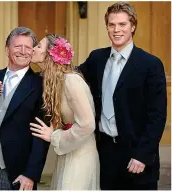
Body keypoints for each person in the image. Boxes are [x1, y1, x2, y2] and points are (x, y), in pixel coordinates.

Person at [77, 2, 167, 190]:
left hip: (136, 155)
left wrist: (143, 155)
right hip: (104, 152)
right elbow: (71, 78)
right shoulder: (96, 58)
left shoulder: (150, 64)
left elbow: (157, 116)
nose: (116, 30)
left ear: (132, 26)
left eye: (122, 24)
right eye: (112, 25)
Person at [0, 26, 49, 190]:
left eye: (28, 47)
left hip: (17, 171)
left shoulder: (40, 85)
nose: (23, 51)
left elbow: (40, 135)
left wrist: (31, 174)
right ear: (7, 50)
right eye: (17, 46)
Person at [30, 34, 100, 190]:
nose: (33, 49)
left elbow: (87, 124)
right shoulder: (52, 81)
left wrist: (54, 136)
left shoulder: (71, 81)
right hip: (68, 151)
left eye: (39, 46)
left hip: (81, 155)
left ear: (50, 54)